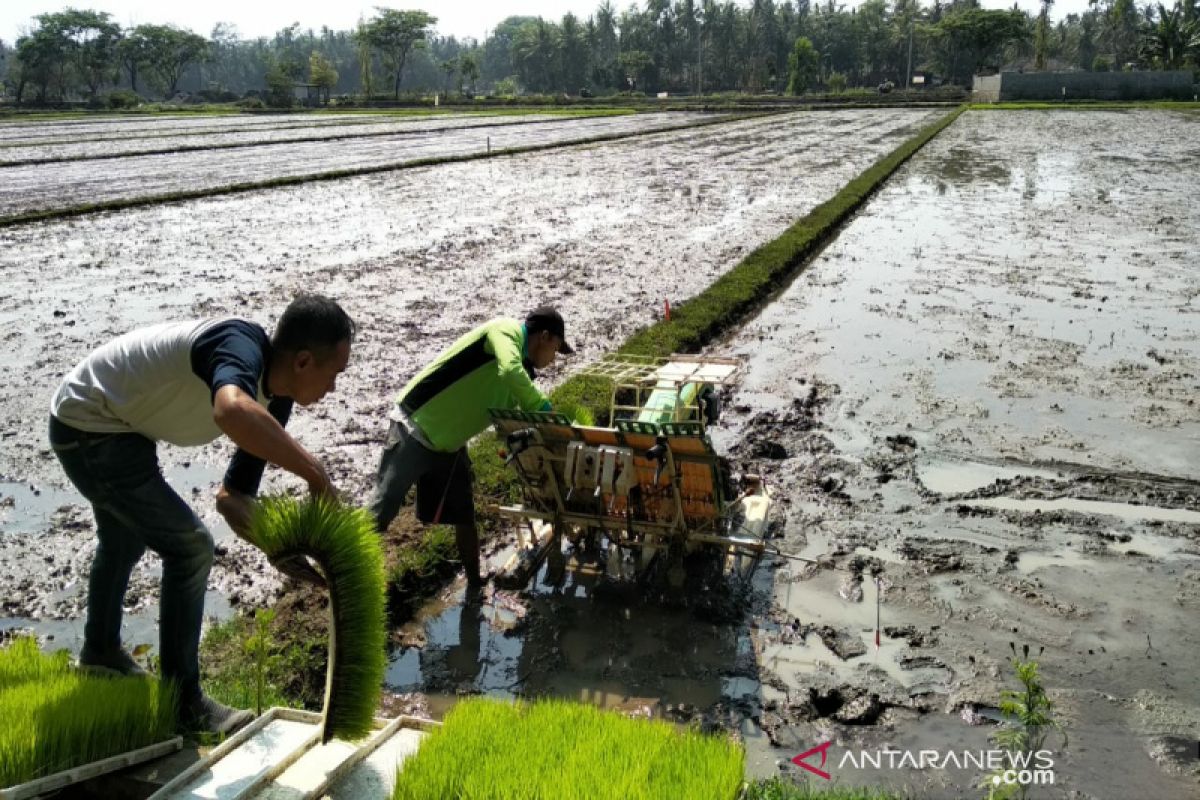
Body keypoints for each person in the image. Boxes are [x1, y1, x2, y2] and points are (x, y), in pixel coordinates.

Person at [48, 294, 354, 735]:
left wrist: (277, 544)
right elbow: (229, 409)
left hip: (119, 427)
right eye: (335, 373)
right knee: (190, 548)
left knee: (124, 539)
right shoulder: (239, 345)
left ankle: (99, 652)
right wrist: (317, 475)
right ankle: (184, 702)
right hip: (89, 422)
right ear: (304, 361)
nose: (334, 388)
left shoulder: (276, 397)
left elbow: (233, 497)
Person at [370, 306, 572, 584]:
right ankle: (343, 578)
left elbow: (511, 418)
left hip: (450, 444)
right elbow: (510, 370)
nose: (552, 360)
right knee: (383, 508)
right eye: (556, 350)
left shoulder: (523, 372)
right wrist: (547, 412)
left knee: (464, 515)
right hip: (416, 426)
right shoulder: (505, 331)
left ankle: (476, 582)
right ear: (545, 337)